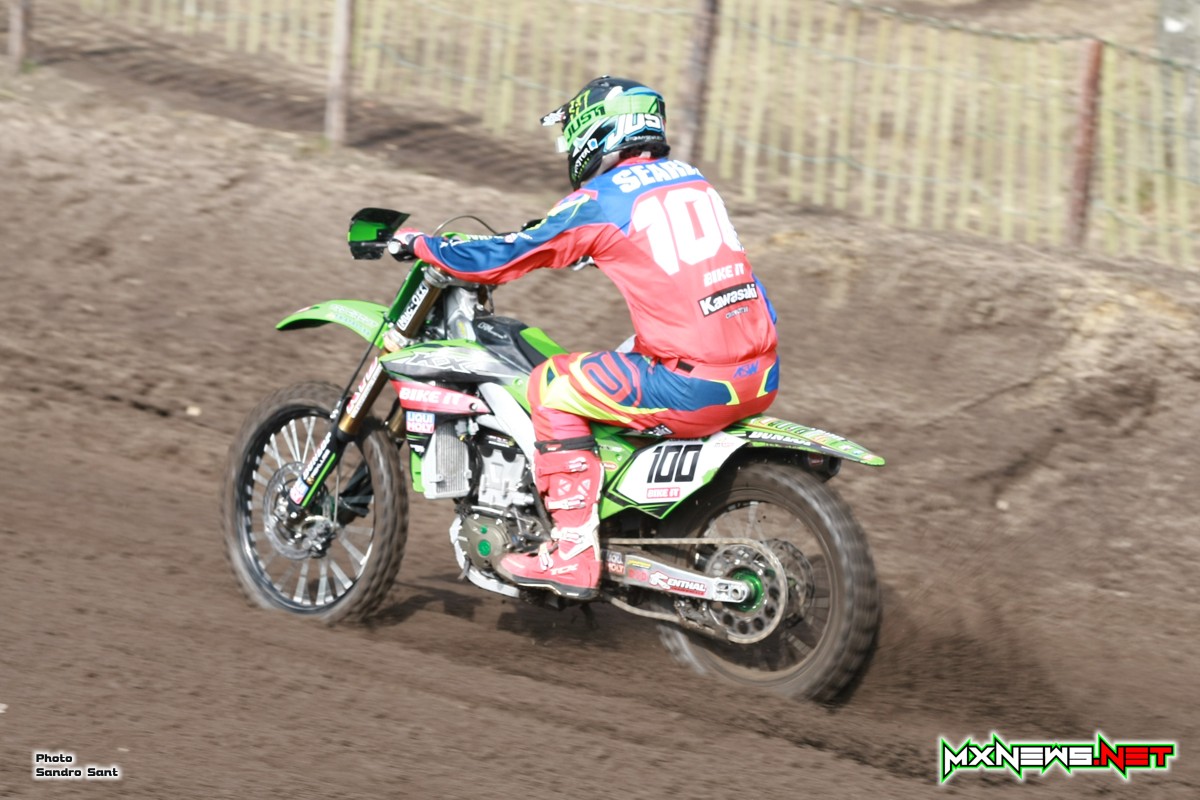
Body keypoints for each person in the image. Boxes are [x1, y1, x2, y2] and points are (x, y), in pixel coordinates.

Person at [390, 76, 779, 601]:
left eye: (573, 135)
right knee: (628, 354)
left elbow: (502, 258)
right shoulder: (693, 181)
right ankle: (624, 509)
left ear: (599, 133)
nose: (571, 147)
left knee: (551, 383)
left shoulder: (600, 198)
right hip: (759, 373)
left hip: (693, 384)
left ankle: (572, 550)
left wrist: (422, 244)